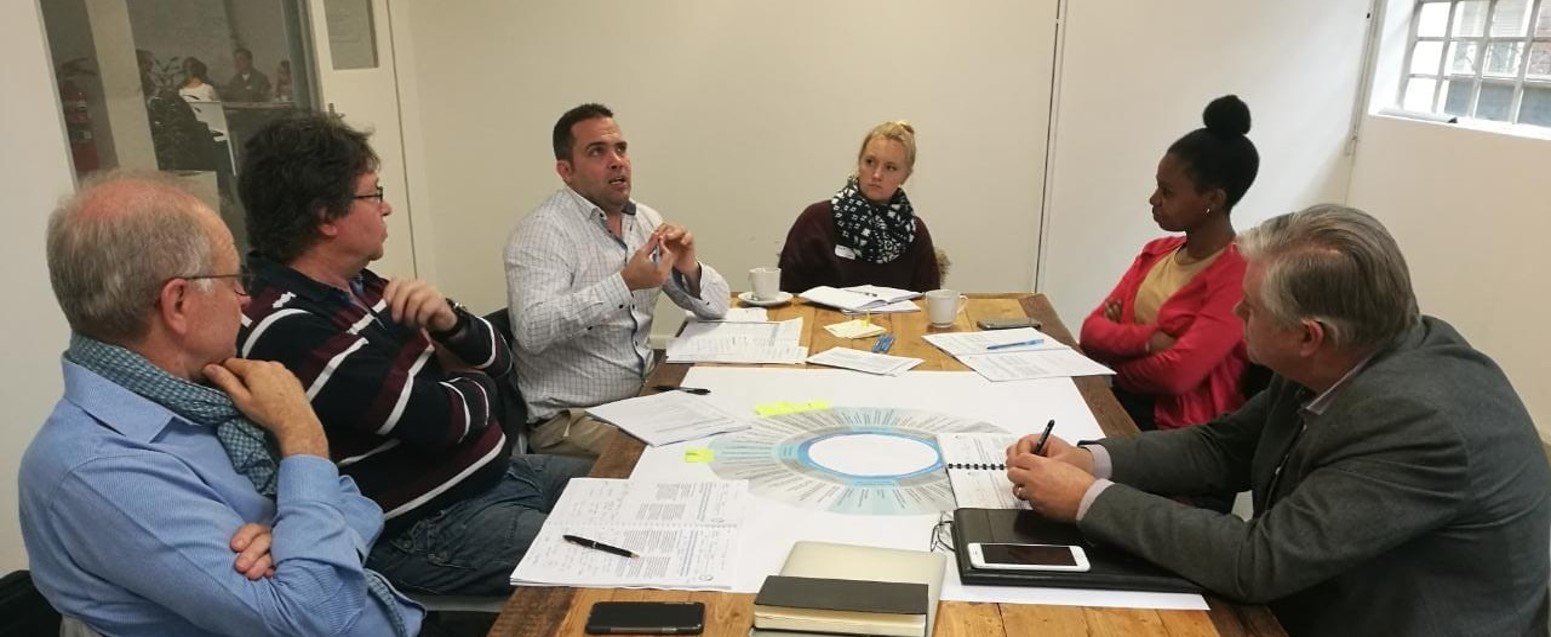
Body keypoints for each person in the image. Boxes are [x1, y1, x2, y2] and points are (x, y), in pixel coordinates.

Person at [1006, 204, 1551, 637]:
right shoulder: (1351, 344)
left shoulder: (1420, 423)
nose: (1237, 317)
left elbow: (1259, 560)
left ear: (1308, 335)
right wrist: (1091, 459)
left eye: (1250, 309)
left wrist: (1086, 499)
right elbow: (1224, 447)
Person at [20, 171, 425, 636]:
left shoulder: (209, 393)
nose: (246, 298)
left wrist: (293, 538)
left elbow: (359, 504)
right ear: (178, 303)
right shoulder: (98, 469)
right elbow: (313, 617)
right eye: (235, 279)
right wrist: (303, 441)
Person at [236, 113, 592, 595]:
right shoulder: (286, 327)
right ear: (326, 217)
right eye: (373, 194)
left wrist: (451, 324)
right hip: (425, 529)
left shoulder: (361, 286)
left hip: (495, 476)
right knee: (630, 560)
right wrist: (465, 375)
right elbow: (440, 419)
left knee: (636, 493)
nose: (387, 209)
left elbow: (502, 362)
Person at [505, 103, 729, 456]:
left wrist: (689, 267)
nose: (616, 161)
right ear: (566, 170)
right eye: (597, 151)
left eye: (620, 149)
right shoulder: (542, 232)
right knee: (680, 457)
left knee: (728, 428)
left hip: (639, 401)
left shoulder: (644, 220)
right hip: (572, 419)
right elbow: (532, 329)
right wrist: (624, 283)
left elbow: (717, 308)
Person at [1079, 95, 1259, 432]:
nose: (1153, 199)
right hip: (1125, 405)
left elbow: (1179, 374)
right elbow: (1090, 332)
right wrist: (1151, 340)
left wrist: (1118, 359)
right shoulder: (1156, 252)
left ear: (1213, 200)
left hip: (1181, 433)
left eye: (1167, 191)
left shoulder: (1238, 274)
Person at [778, 120, 940, 293]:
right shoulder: (816, 221)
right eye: (870, 162)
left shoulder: (914, 233)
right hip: (824, 320)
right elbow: (787, 294)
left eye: (890, 168)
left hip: (894, 320)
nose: (877, 175)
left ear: (905, 176)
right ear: (859, 163)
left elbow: (929, 304)